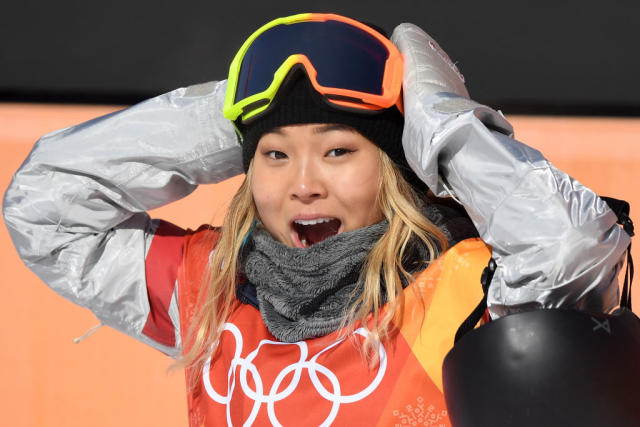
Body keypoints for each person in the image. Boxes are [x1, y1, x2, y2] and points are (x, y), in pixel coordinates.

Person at [2, 13, 630, 426]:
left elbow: (572, 245)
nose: (303, 185)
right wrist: (232, 117)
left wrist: (437, 117)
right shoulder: (214, 286)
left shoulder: (472, 292)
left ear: (395, 162)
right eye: (274, 157)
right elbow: (46, 203)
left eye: (338, 151)